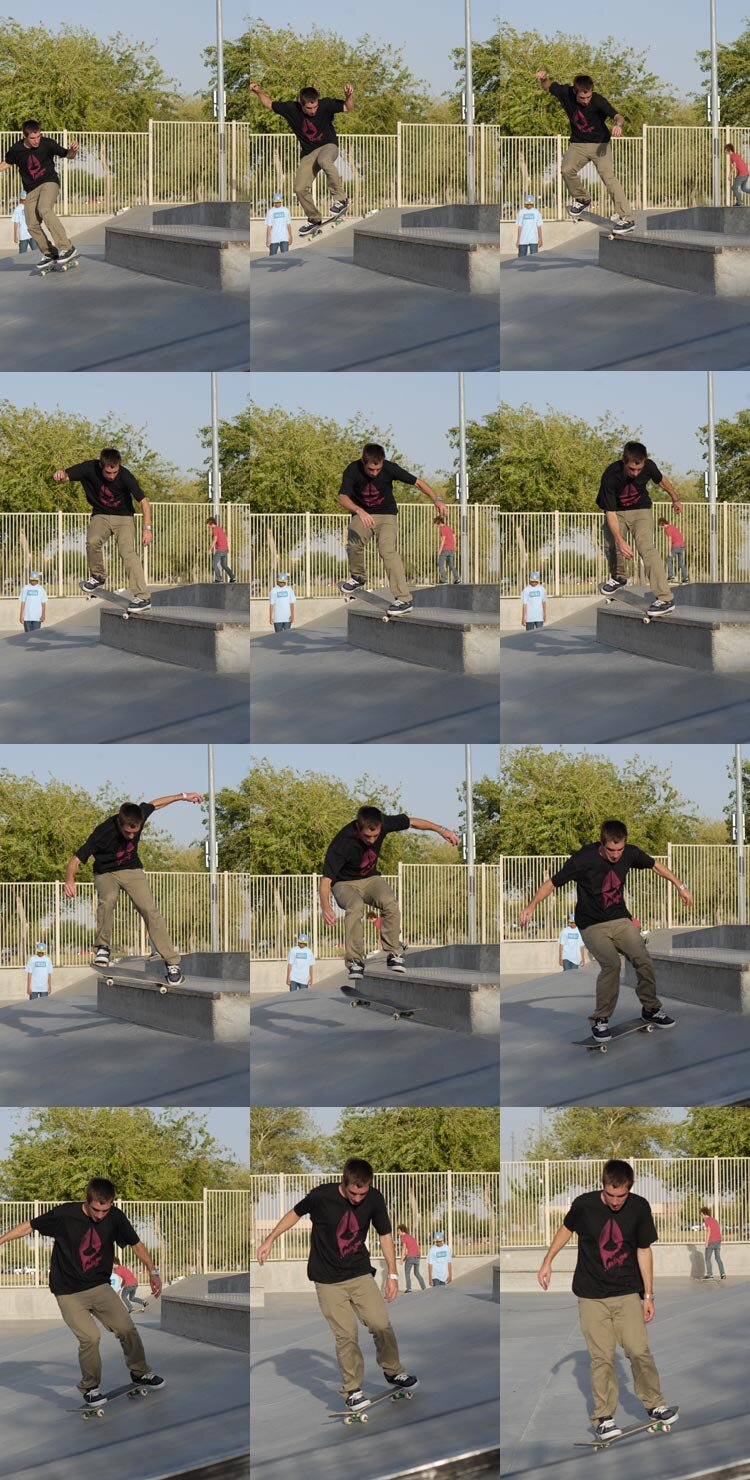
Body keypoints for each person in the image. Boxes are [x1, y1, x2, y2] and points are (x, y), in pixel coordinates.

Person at [256, 1158, 418, 1413]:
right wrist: (270, 1239)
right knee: (346, 1335)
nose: (358, 1199)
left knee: (380, 1323)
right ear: (343, 1182)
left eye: (362, 1193)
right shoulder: (321, 1196)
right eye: (353, 1193)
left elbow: (385, 1235)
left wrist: (393, 1275)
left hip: (360, 1274)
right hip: (328, 1280)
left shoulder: (374, 1199)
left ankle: (393, 1371)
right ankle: (353, 1390)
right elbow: (294, 1214)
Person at [537, 1159, 678, 1443]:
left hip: (627, 1292)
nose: (615, 1201)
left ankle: (654, 1404)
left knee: (639, 1351)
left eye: (621, 1195)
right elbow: (566, 1229)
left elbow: (643, 1251)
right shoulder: (584, 1205)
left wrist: (648, 1295)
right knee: (601, 1358)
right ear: (603, 1186)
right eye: (610, 1195)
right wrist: (547, 1260)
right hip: (591, 1295)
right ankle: (604, 1418)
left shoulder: (639, 1208)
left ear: (629, 1188)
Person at [519, 818, 693, 1043]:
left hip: (620, 919)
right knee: (611, 964)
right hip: (591, 924)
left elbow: (656, 865)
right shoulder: (582, 859)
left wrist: (681, 887)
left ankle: (650, 1008)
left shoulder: (630, 853)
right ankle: (600, 1019)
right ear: (602, 844)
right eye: (611, 850)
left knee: (642, 958)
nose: (616, 855)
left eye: (619, 849)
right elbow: (551, 883)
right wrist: (531, 906)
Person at [0, 1178, 163, 1408]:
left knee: (126, 1327)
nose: (100, 1216)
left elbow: (136, 1243)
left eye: (105, 1210)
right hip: (68, 1292)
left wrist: (153, 1271)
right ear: (87, 1201)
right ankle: (90, 1387)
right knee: (90, 1337)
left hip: (99, 1287)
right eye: (96, 1210)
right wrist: (1, 1240)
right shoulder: (65, 1214)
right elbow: (29, 1225)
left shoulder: (115, 1217)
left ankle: (139, 1372)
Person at [64, 793, 204, 988]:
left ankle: (172, 964)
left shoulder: (139, 814)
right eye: (128, 832)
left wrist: (183, 796)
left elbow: (156, 804)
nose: (131, 836)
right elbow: (76, 860)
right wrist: (70, 879)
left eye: (135, 832)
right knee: (109, 899)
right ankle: (103, 948)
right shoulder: (102, 833)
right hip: (106, 873)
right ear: (120, 824)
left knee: (149, 909)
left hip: (131, 869)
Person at [320, 806, 459, 983]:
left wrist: (441, 830)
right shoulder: (342, 842)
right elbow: (325, 881)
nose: (371, 840)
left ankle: (393, 952)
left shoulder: (384, 823)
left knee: (389, 902)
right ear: (358, 827)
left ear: (380, 826)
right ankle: (355, 960)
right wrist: (325, 906)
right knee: (355, 906)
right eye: (366, 836)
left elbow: (413, 822)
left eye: (375, 836)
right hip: (344, 884)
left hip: (370, 880)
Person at [337, 443, 448, 619]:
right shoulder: (352, 469)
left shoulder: (390, 468)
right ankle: (358, 577)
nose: (374, 473)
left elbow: (418, 483)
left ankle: (404, 599)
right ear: (363, 461)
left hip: (387, 515)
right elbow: (343, 497)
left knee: (387, 551)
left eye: (378, 469)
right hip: (362, 513)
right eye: (371, 470)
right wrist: (359, 510)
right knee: (353, 542)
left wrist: (436, 499)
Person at [53, 450, 152, 616]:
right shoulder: (88, 468)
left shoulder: (126, 475)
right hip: (101, 515)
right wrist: (59, 475)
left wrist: (147, 528)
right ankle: (98, 576)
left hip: (124, 517)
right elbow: (66, 478)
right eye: (108, 472)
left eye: (115, 472)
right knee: (92, 541)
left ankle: (143, 597)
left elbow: (144, 501)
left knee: (127, 552)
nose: (112, 476)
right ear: (101, 465)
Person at [535, 71, 634, 234]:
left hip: (600, 145)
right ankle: (582, 199)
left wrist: (619, 125)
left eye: (588, 97)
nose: (586, 101)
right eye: (582, 98)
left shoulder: (598, 100)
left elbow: (618, 116)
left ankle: (628, 219)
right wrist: (543, 79)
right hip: (578, 144)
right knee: (566, 170)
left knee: (608, 178)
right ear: (575, 91)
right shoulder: (565, 92)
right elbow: (547, 86)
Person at [250, 83, 353, 235]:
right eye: (309, 108)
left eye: (315, 107)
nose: (313, 111)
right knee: (299, 188)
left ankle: (341, 199)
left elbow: (348, 107)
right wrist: (258, 92)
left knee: (324, 160)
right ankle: (314, 218)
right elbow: (269, 104)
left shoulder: (326, 105)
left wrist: (349, 96)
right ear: (301, 104)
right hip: (308, 153)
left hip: (328, 146)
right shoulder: (291, 109)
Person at [596, 441, 683, 619]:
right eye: (631, 469)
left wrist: (675, 498)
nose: (635, 473)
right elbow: (610, 513)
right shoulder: (610, 476)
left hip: (641, 511)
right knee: (610, 544)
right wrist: (620, 540)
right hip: (617, 512)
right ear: (624, 461)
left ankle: (665, 598)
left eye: (639, 469)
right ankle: (619, 577)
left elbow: (662, 481)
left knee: (646, 548)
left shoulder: (648, 466)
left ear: (644, 462)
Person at [0, 120, 79, 267]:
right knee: (31, 224)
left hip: (49, 182)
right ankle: (50, 252)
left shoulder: (47, 143)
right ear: (25, 136)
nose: (36, 141)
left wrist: (73, 150)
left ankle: (67, 247)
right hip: (31, 190)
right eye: (32, 138)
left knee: (44, 209)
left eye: (38, 137)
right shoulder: (16, 149)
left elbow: (68, 155)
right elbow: (7, 163)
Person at [657, 516, 689, 584]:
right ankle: (685, 577)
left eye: (660, 526)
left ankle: (671, 576)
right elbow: (679, 535)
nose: (660, 527)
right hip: (682, 546)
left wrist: (669, 552)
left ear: (662, 524)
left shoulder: (667, 529)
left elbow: (669, 540)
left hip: (676, 546)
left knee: (668, 559)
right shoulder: (672, 526)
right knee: (681, 563)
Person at [207, 516, 236, 584]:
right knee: (224, 565)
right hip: (225, 549)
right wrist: (227, 548)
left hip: (220, 550)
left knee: (214, 564)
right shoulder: (220, 529)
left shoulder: (215, 529)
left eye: (208, 524)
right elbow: (225, 538)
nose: (208, 526)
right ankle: (232, 577)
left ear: (211, 523)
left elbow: (215, 539)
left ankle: (219, 579)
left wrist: (210, 549)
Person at [700, 1206, 726, 1280]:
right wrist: (721, 1236)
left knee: (707, 1258)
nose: (701, 1216)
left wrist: (706, 1242)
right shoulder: (714, 1220)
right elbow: (718, 1228)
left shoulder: (707, 1220)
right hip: (718, 1241)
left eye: (701, 1214)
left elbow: (709, 1230)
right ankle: (723, 1274)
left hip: (711, 1241)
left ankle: (710, 1274)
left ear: (703, 1213)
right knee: (718, 1258)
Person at [397, 1225, 425, 1292]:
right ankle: (424, 1288)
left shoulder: (403, 1237)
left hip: (411, 1257)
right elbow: (412, 1248)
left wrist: (401, 1259)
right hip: (417, 1257)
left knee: (407, 1273)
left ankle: (409, 1288)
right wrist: (404, 1259)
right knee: (417, 1273)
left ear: (401, 1230)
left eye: (398, 1231)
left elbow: (404, 1249)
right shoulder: (411, 1237)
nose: (398, 1232)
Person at [435, 515, 459, 584]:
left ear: (438, 522)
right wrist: (454, 546)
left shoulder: (442, 529)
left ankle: (444, 579)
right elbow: (454, 536)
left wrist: (440, 550)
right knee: (451, 565)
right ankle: (457, 578)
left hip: (445, 549)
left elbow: (443, 539)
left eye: (436, 524)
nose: (437, 526)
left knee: (441, 564)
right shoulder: (449, 528)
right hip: (451, 549)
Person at [11, 191, 37, 255]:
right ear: (21, 200)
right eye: (23, 200)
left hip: (32, 234)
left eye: (25, 199)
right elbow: (16, 223)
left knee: (36, 252)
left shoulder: (31, 207)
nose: (24, 201)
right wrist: (15, 236)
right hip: (23, 236)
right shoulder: (18, 209)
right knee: (22, 254)